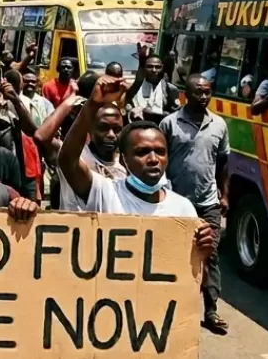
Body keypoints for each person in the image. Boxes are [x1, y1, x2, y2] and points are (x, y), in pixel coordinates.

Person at [58, 75, 198, 218]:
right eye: (142, 152)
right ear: (124, 160)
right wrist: (93, 104)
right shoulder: (106, 193)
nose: (153, 159)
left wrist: (202, 239)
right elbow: (67, 161)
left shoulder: (183, 208)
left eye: (160, 152)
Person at [159, 74, 231, 334]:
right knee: (174, 256)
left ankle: (211, 311)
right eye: (198, 93)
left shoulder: (219, 125)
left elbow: (223, 163)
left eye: (207, 92)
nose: (203, 97)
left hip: (207, 203)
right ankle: (170, 307)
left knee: (209, 254)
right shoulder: (169, 124)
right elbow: (159, 159)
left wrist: (224, 194)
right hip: (175, 203)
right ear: (185, 95)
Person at [126, 55, 180, 123]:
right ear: (144, 68)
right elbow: (127, 107)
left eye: (158, 67)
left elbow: (175, 115)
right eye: (150, 66)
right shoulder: (136, 87)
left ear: (163, 68)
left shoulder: (170, 89)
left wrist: (154, 113)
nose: (154, 70)